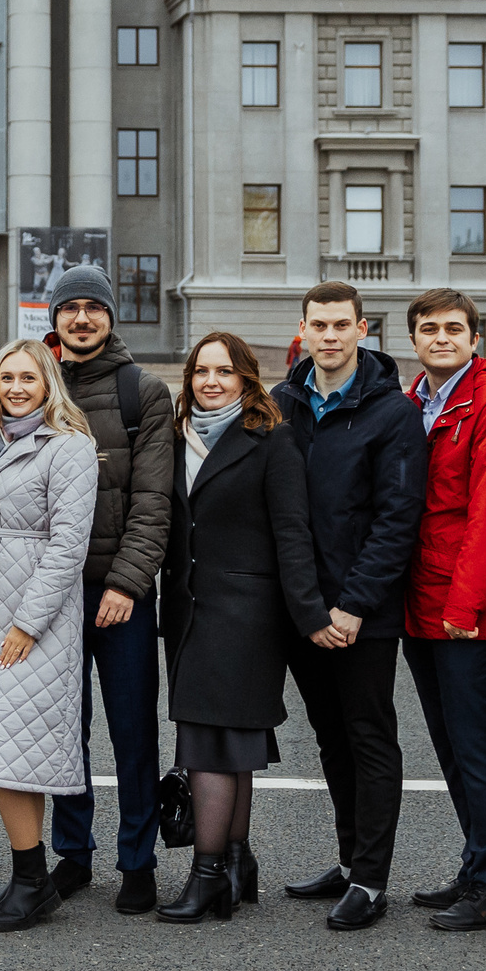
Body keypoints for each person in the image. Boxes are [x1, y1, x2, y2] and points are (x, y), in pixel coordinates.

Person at [271, 282, 427, 931]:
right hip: (302, 607)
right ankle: (346, 857)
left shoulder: (391, 412)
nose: (329, 336)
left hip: (361, 612)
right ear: (302, 330)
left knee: (368, 736)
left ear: (362, 329)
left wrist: (355, 606)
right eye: (319, 325)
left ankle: (371, 876)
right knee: (330, 736)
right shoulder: (281, 403)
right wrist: (307, 608)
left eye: (341, 325)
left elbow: (397, 519)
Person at [156, 332, 326, 924]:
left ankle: (206, 879)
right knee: (227, 744)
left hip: (247, 615)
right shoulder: (177, 438)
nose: (210, 382)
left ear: (247, 379)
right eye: (201, 371)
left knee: (208, 740)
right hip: (188, 611)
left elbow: (292, 534)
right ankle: (235, 862)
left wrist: (310, 616)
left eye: (224, 372)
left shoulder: (271, 440)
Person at [0, 340, 99, 933]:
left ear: (48, 382)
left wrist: (27, 624)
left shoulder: (70, 448)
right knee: (11, 754)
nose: (15, 387)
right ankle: (29, 877)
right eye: (6, 378)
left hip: (35, 619)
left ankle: (33, 880)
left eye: (27, 378)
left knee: (8, 746)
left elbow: (67, 546)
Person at [38, 264, 173, 914]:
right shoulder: (34, 387)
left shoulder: (141, 391)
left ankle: (137, 859)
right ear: (55, 318)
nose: (83, 317)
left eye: (94, 307)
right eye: (72, 308)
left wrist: (126, 580)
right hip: (54, 594)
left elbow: (153, 501)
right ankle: (73, 853)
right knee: (63, 729)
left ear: (111, 317)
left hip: (122, 593)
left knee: (131, 731)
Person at [400, 287, 486, 932]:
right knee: (451, 745)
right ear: (414, 340)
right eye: (429, 329)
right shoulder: (415, 402)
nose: (442, 338)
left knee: (477, 745)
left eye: (455, 328)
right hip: (420, 600)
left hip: (465, 607)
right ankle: (477, 863)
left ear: (475, 338)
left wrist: (465, 603)